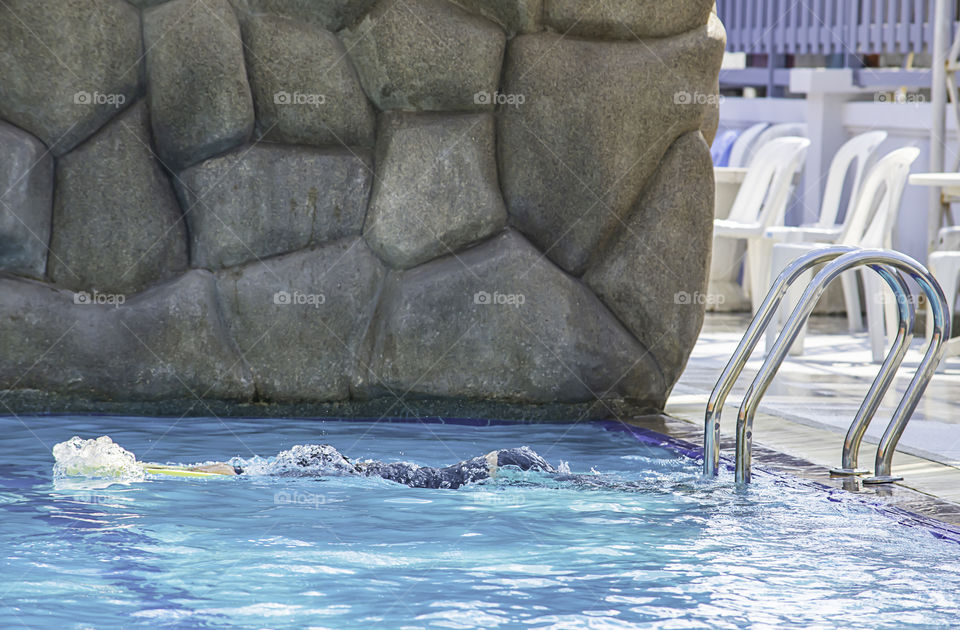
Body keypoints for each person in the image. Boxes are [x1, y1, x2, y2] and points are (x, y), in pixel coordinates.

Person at [179, 444, 557, 490]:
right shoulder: (366, 470)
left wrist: (197, 471)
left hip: (493, 466)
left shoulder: (352, 473)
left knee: (571, 484)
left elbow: (242, 471)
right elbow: (246, 470)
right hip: (495, 462)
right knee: (569, 483)